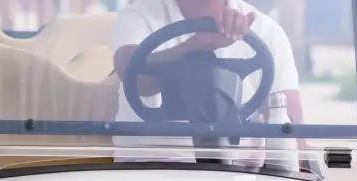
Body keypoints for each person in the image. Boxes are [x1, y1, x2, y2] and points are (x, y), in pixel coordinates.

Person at [109, 0, 304, 159]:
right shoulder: (137, 16)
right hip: (144, 173)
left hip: (238, 180)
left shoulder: (266, 30)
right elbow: (136, 78)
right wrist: (193, 46)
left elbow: (291, 130)